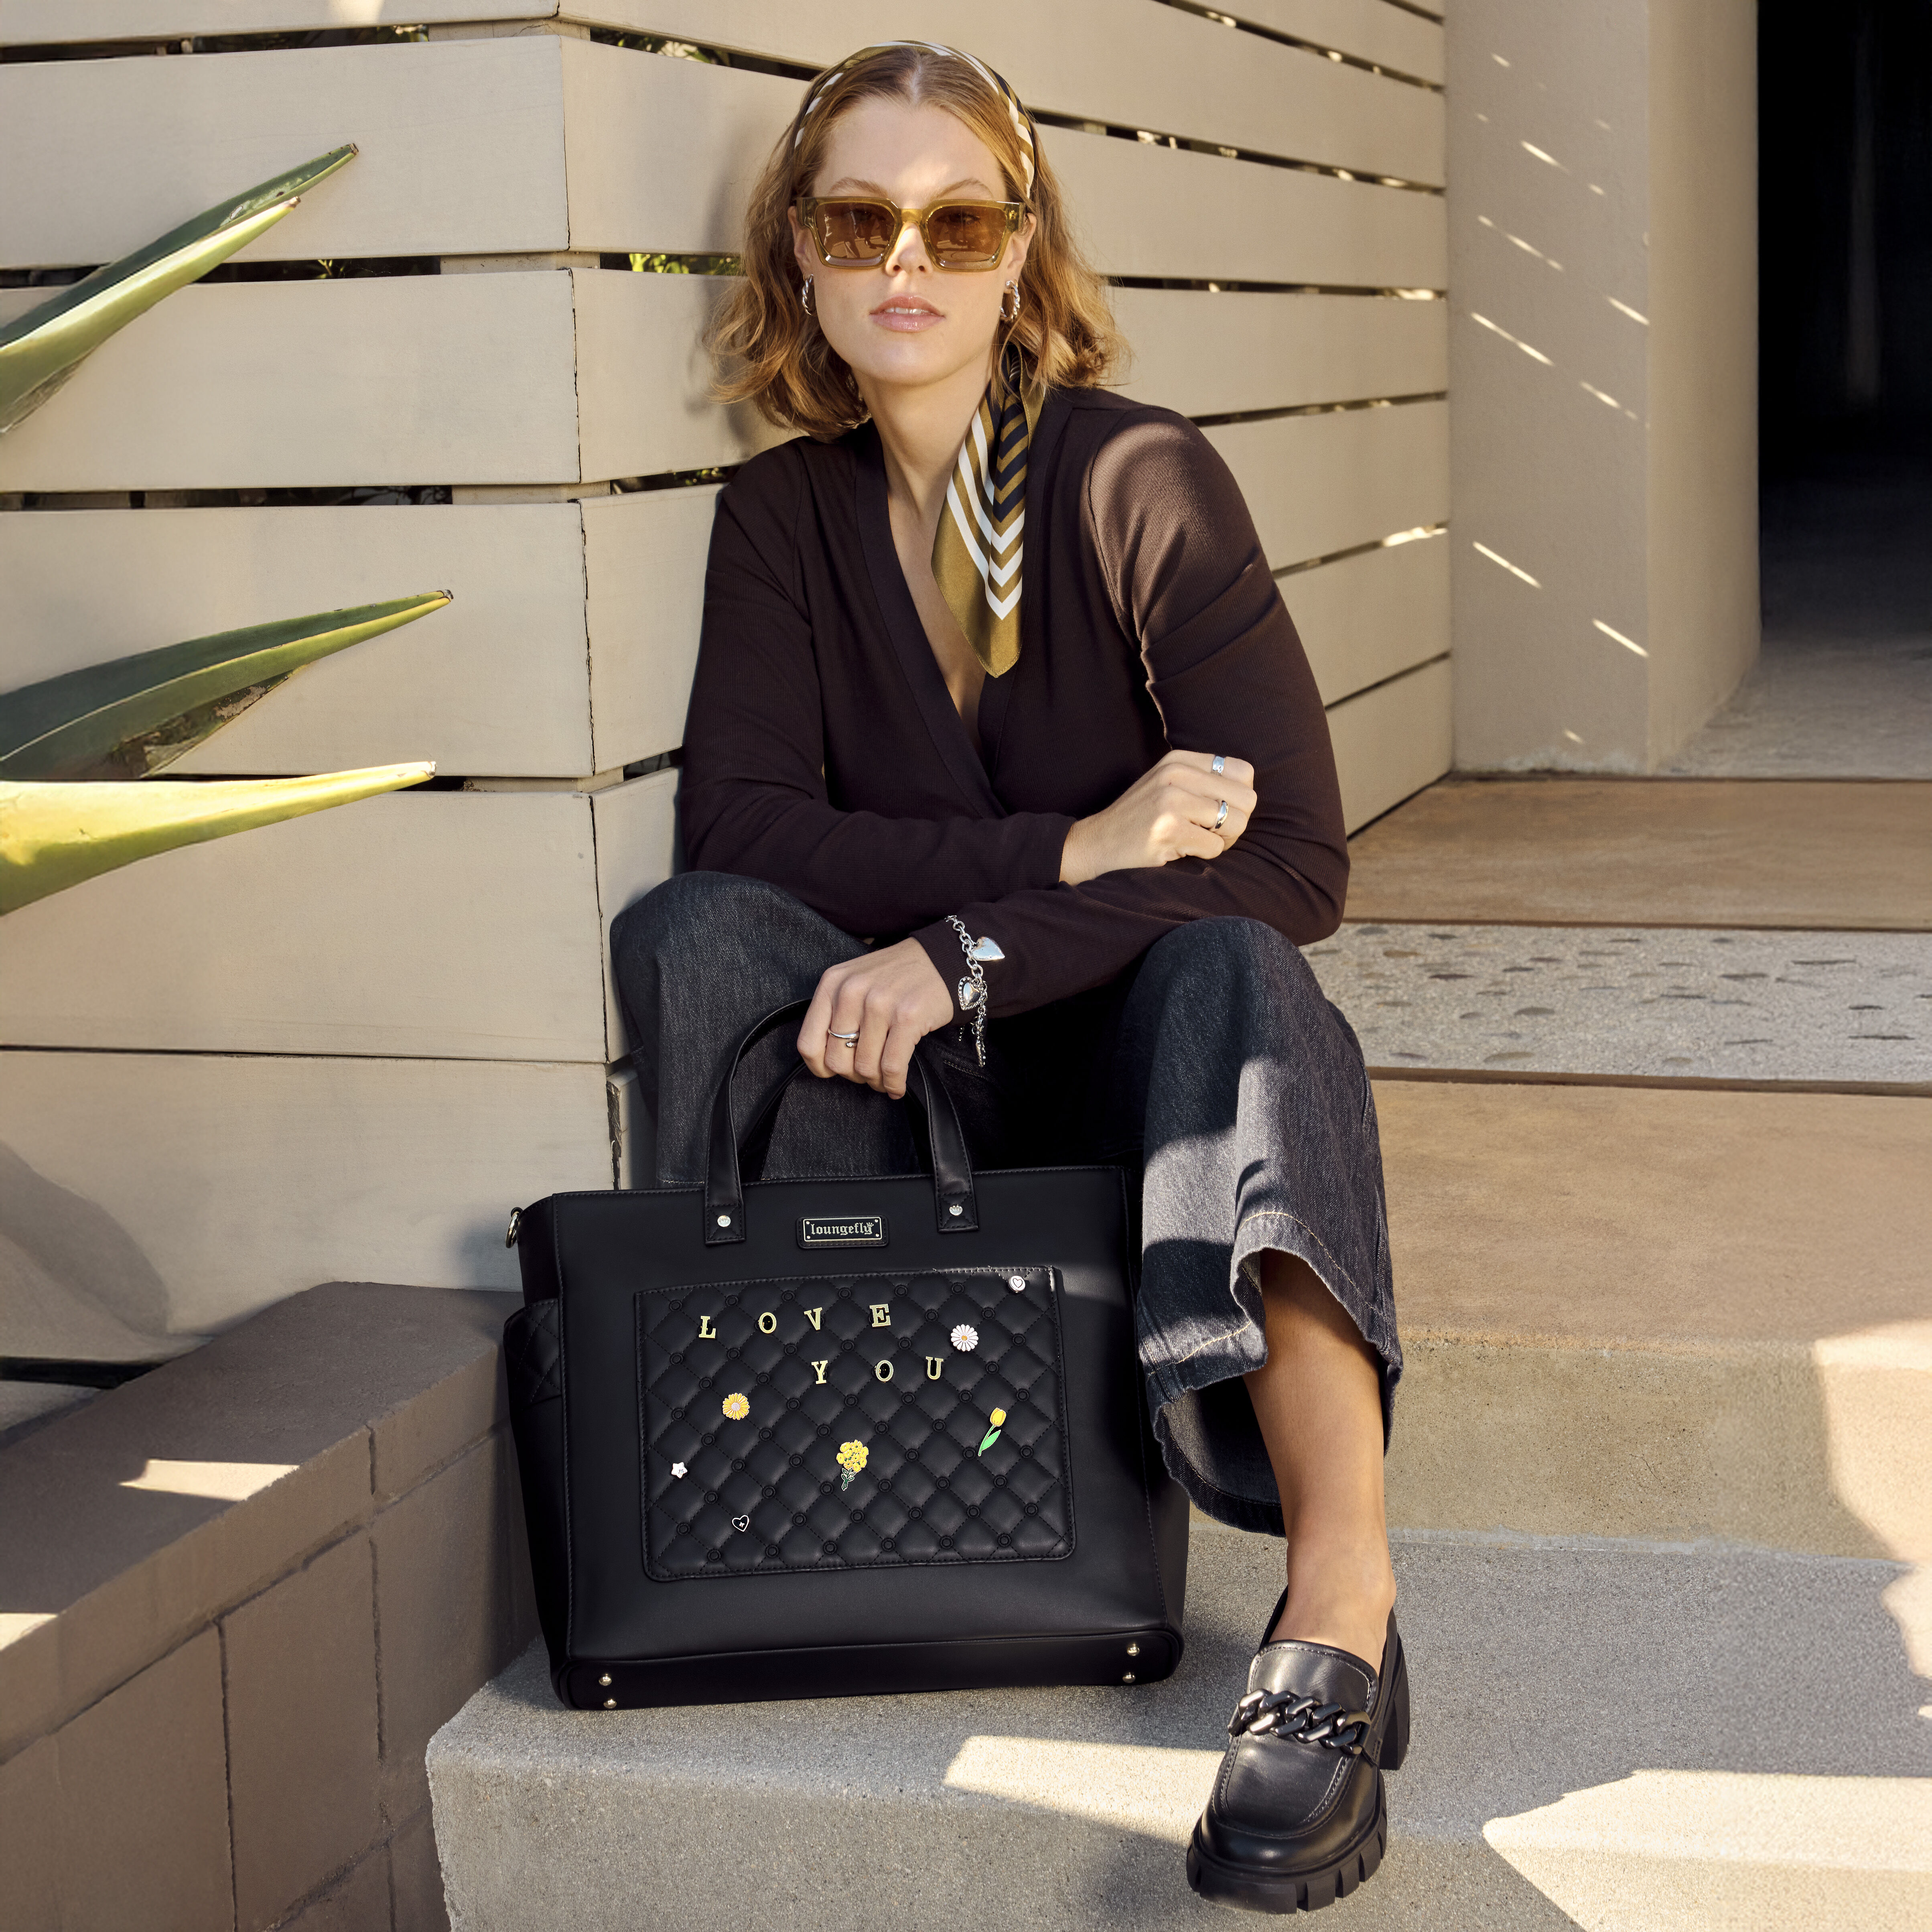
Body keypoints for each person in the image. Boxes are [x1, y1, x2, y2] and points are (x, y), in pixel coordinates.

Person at [612, 41, 1408, 1914]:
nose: (906, 259)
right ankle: (778, 1467)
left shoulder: (1140, 479)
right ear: (798, 253)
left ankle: (1341, 1604)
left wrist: (972, 947)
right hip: (920, 1096)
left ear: (1020, 252)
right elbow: (742, 830)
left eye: (956, 223)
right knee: (694, 934)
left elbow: (1293, 862)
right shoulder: (782, 518)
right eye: (856, 221)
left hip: (1146, 1072)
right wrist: (1067, 851)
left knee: (1234, 964)